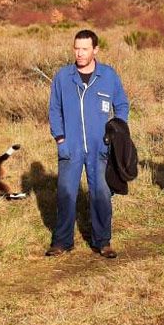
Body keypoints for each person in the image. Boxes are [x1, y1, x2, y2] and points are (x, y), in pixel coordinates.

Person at [46, 29, 130, 258]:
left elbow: (121, 104)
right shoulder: (63, 77)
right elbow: (54, 109)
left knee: (101, 194)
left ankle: (103, 242)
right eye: (77, 48)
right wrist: (60, 137)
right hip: (70, 147)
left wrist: (117, 130)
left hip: (100, 147)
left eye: (85, 49)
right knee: (66, 194)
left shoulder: (108, 76)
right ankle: (62, 242)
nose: (80, 53)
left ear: (95, 50)